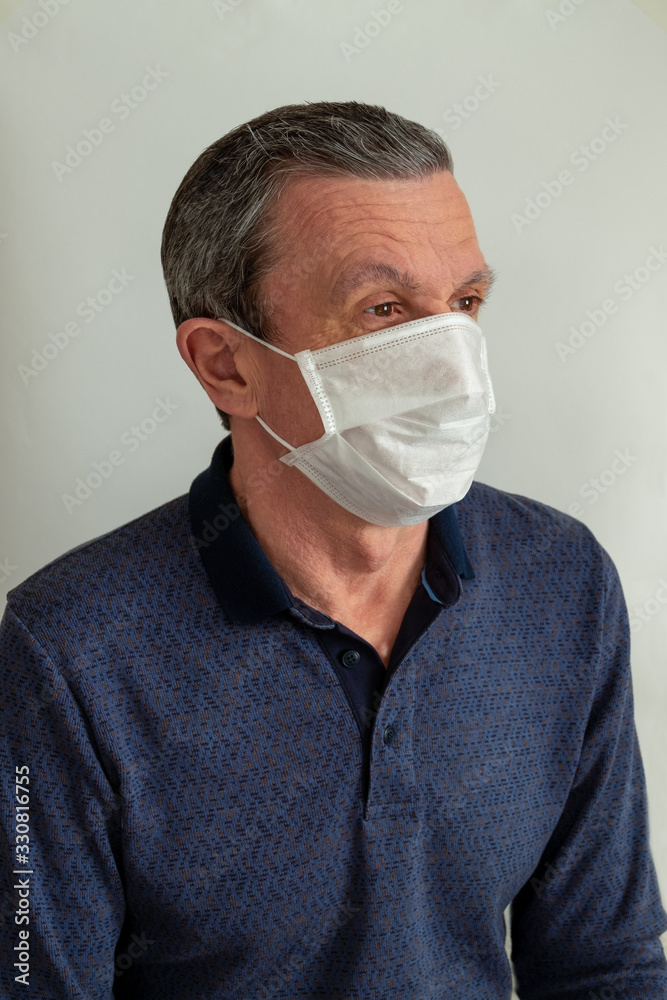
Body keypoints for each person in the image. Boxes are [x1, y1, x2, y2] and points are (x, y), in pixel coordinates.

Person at [1, 100, 666, 999]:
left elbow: (603, 965)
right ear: (225, 364)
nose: (453, 365)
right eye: (383, 309)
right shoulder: (72, 647)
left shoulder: (560, 580)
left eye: (464, 304)